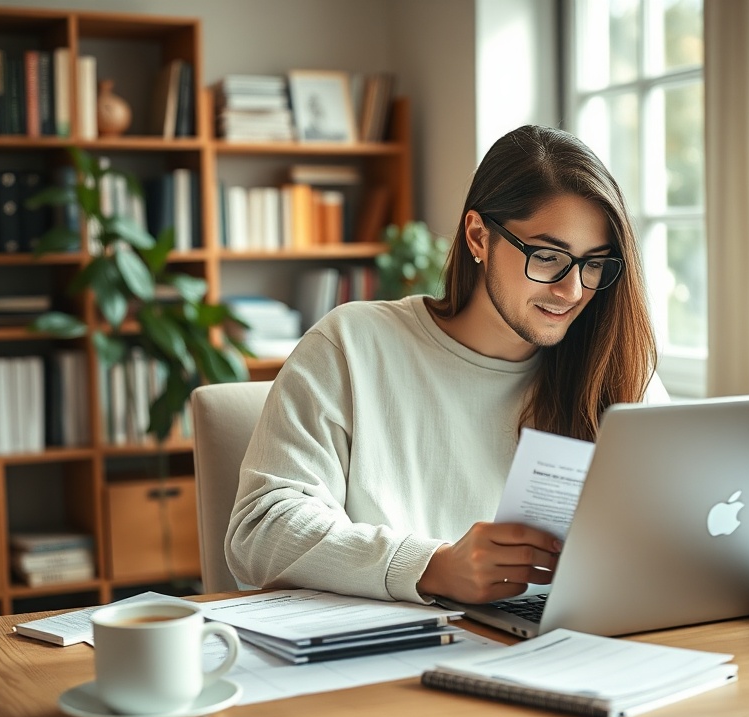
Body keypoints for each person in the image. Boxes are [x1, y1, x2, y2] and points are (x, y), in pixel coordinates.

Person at [226, 124, 668, 606]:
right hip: (395, 659)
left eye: (594, 263)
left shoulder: (615, 363)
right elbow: (260, 530)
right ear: (479, 236)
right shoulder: (352, 345)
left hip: (571, 648)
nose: (573, 290)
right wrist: (431, 566)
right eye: (547, 256)